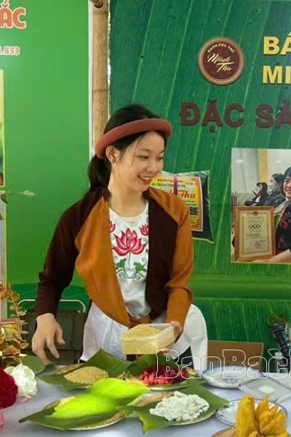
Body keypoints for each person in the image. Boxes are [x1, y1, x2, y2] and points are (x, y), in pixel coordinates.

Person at [33, 104, 194, 362]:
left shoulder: (174, 211)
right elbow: (52, 279)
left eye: (159, 157)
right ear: (112, 154)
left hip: (163, 336)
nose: (154, 167)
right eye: (144, 157)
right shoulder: (78, 217)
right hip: (106, 338)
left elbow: (178, 282)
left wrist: (172, 326)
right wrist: (45, 317)